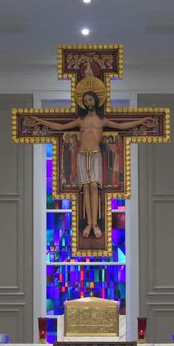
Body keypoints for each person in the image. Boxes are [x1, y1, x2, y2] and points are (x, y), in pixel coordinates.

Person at [27, 92, 155, 239]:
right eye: (85, 100)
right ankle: (89, 223)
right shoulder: (80, 120)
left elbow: (121, 125)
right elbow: (61, 127)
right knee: (85, 188)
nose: (88, 102)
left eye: (90, 99)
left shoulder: (102, 120)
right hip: (82, 155)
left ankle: (95, 223)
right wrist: (39, 121)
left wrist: (141, 121)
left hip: (95, 155)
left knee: (94, 187)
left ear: (95, 100)